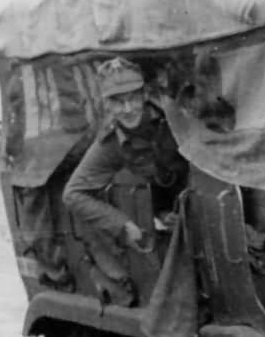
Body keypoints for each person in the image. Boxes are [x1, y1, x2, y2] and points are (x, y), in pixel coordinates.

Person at [63, 57, 187, 253]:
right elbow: (74, 194)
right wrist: (123, 225)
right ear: (107, 104)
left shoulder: (174, 115)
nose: (127, 109)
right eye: (118, 102)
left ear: (145, 94)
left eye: (133, 98)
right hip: (172, 209)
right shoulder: (111, 143)